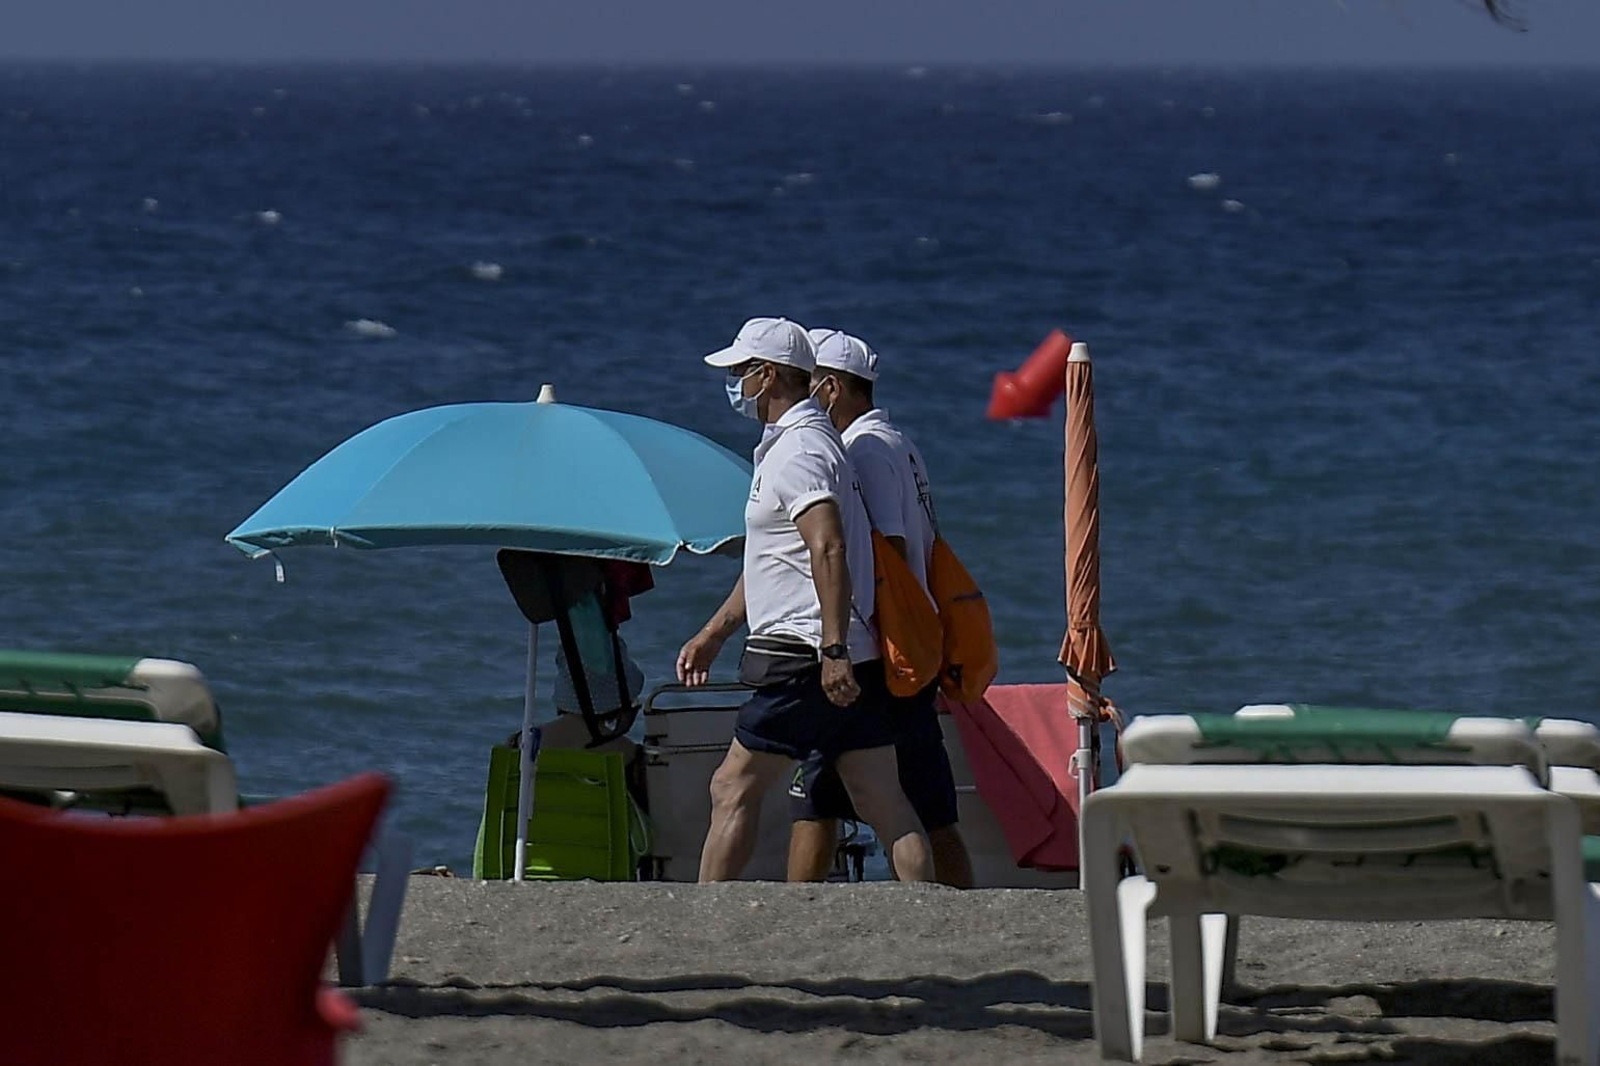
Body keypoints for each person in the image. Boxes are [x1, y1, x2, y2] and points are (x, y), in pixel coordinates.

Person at [676, 316, 934, 883]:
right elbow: (775, 560)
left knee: (731, 786)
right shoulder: (802, 444)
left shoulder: (799, 450)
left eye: (741, 371)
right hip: (843, 650)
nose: (736, 384)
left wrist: (832, 649)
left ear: (768, 375)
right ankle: (929, 911)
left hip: (804, 652)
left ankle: (706, 915)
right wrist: (715, 633)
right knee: (880, 796)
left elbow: (828, 545)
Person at [787, 328, 975, 887]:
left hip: (881, 649)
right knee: (926, 804)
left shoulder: (863, 449)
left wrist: (842, 636)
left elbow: (884, 550)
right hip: (910, 642)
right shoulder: (899, 442)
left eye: (808, 383)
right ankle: (960, 911)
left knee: (817, 795)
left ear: (831, 387)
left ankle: (797, 909)